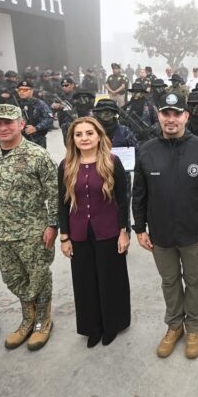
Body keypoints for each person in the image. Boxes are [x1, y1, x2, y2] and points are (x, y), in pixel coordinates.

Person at [132, 92, 198, 359]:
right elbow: (139, 193)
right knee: (169, 281)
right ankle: (174, 327)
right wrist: (140, 228)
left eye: (176, 113)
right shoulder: (147, 150)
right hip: (161, 235)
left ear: (186, 115)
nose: (171, 119)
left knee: (195, 281)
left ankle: (193, 327)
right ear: (159, 116)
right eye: (165, 113)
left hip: (194, 234)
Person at [0, 104, 59, 351]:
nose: (2, 128)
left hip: (32, 232)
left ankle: (43, 321)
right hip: (0, 234)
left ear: (21, 124)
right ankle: (27, 319)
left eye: (8, 122)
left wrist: (53, 225)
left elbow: (54, 193)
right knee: (14, 278)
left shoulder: (37, 155)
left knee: (39, 277)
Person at [58, 117, 131, 347]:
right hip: (79, 232)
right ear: (73, 139)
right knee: (84, 281)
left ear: (99, 135)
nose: (84, 138)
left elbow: (123, 198)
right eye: (79, 134)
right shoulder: (67, 165)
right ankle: (93, 327)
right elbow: (61, 202)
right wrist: (64, 236)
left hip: (108, 229)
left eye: (89, 133)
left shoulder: (111, 162)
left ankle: (112, 325)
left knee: (111, 279)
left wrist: (123, 231)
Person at [15, 80, 54, 148]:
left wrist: (36, 128)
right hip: (20, 140)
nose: (21, 92)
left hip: (37, 139)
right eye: (19, 90)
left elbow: (49, 118)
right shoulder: (15, 104)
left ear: (32, 91)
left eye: (25, 90)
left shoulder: (39, 103)